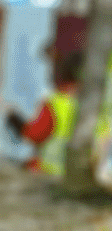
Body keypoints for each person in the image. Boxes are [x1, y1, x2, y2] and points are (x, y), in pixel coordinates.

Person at [7, 50, 111, 178]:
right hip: (88, 178)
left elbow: (35, 135)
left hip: (51, 174)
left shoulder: (56, 103)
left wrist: (14, 120)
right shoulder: (100, 106)